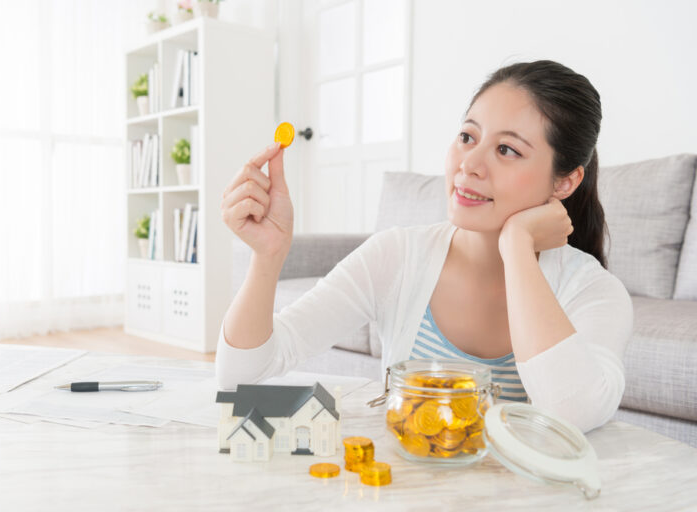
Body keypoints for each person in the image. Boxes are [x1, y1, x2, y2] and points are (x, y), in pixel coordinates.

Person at [216, 60, 633, 433]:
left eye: (507, 149)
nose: (469, 164)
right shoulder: (398, 255)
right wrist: (267, 258)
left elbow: (570, 415)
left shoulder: (594, 292)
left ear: (565, 182)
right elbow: (240, 377)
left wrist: (518, 247)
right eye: (468, 137)